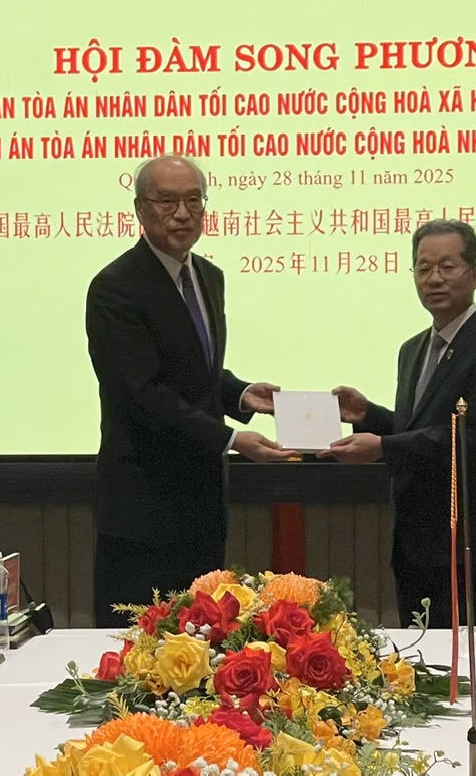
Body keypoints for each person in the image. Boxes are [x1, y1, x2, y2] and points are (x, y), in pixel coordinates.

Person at [86, 155, 295, 626]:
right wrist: (231, 438)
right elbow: (141, 393)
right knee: (140, 647)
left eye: (193, 200)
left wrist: (240, 394)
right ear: (140, 209)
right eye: (167, 201)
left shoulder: (207, 276)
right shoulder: (115, 287)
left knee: (204, 642)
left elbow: (193, 371)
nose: (182, 213)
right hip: (143, 508)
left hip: (203, 503)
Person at [321, 219, 476, 628]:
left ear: (475, 275)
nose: (434, 279)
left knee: (467, 661)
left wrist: (382, 448)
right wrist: (368, 415)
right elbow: (418, 426)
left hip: (467, 545)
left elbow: (473, 439)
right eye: (424, 267)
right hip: (414, 543)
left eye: (447, 267)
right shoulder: (412, 349)